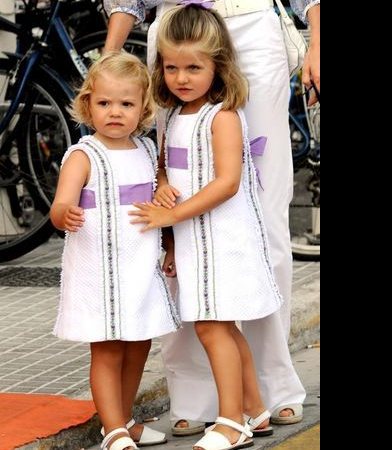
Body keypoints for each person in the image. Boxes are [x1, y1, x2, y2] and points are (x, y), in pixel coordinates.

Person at [102, 0, 319, 434]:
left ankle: (271, 387)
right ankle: (195, 392)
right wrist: (110, 57)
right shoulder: (174, 76)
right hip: (174, 28)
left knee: (265, 223)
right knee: (175, 209)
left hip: (252, 28)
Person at [51, 51, 179, 450]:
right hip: (99, 270)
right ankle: (115, 429)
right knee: (107, 348)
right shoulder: (84, 155)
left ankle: (120, 420)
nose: (115, 112)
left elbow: (159, 202)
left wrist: (169, 238)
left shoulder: (145, 152)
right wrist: (64, 215)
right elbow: (59, 205)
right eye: (105, 103)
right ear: (88, 104)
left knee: (138, 343)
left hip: (139, 267)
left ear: (143, 108)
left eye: (126, 104)